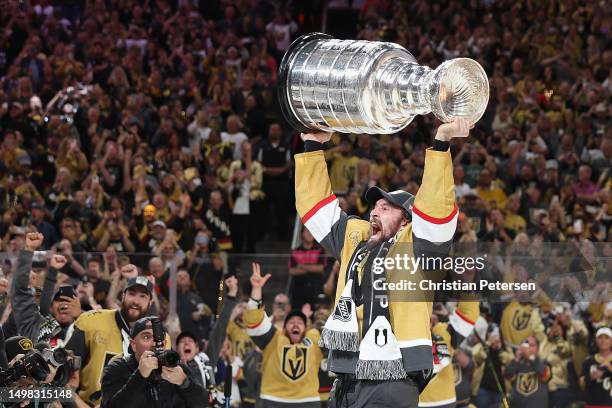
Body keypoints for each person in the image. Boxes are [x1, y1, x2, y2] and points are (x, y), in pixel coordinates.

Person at [295, 120, 479, 407]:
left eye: (385, 207)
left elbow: (436, 212)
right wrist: (313, 146)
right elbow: (315, 209)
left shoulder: (418, 243)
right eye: (373, 207)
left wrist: (441, 144)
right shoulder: (356, 236)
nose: (374, 212)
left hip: (395, 377)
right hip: (347, 376)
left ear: (406, 218)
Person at [66, 274, 155, 405]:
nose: (136, 301)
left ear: (150, 302)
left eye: (143, 296)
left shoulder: (159, 338)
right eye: (132, 293)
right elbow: (63, 374)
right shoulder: (92, 321)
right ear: (123, 296)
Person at [244, 263, 324, 407]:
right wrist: (256, 290)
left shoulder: (314, 337)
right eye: (291, 321)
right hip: (273, 400)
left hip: (307, 401)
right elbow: (254, 322)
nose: (295, 324)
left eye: (300, 322)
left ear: (306, 327)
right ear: (284, 327)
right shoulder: (274, 337)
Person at [100, 316, 207, 408]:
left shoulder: (175, 366)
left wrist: (184, 382)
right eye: (146, 337)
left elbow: (202, 402)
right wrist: (139, 375)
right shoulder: (116, 368)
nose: (154, 344)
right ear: (133, 345)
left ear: (165, 343)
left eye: (159, 339)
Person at [10, 232, 81, 344]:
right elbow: (20, 291)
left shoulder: (83, 328)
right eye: (58, 300)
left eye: (69, 300)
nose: (64, 304)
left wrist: (80, 317)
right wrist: (29, 249)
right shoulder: (35, 322)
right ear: (51, 307)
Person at [504, 336, 550, 408]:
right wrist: (517, 358)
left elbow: (543, 373)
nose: (528, 348)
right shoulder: (517, 365)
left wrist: (531, 358)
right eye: (526, 345)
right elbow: (507, 375)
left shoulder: (544, 363)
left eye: (531, 345)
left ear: (537, 349)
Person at [580, 327, 612, 408]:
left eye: (607, 338)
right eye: (600, 338)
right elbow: (581, 383)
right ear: (596, 341)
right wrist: (590, 377)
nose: (603, 341)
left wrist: (609, 368)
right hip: (592, 404)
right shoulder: (588, 361)